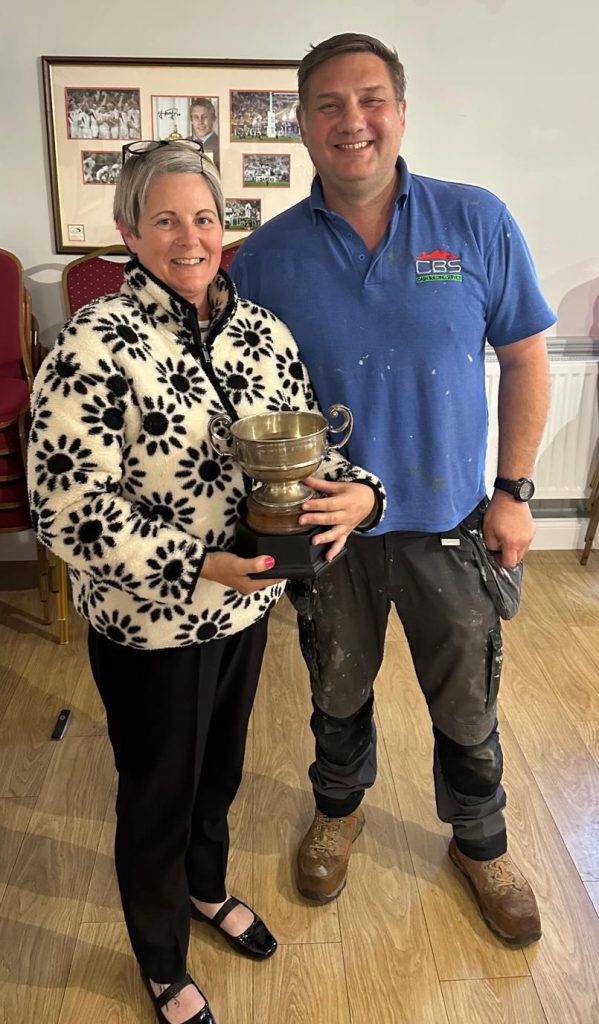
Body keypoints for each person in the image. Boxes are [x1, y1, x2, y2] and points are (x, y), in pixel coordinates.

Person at [28, 139, 384, 1024]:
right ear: (126, 232)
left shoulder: (264, 330)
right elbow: (65, 505)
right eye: (165, 220)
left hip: (247, 601)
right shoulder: (92, 342)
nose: (190, 238)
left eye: (204, 218)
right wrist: (193, 564)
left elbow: (305, 448)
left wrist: (361, 496)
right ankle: (159, 956)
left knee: (218, 773)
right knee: (158, 791)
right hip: (150, 623)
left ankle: (204, 887)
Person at [231, 32, 554, 948]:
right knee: (335, 683)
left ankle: (480, 841)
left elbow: (525, 357)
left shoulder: (472, 221)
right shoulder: (266, 257)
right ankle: (337, 811)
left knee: (465, 696)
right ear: (301, 126)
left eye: (369, 99)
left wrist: (515, 491)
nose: (351, 122)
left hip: (449, 521)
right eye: (327, 106)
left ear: (401, 112)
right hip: (325, 530)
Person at [190, 97, 220, 169]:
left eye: (205, 117)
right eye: (196, 117)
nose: (200, 122)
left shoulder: (221, 145)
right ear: (191, 120)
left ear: (213, 119)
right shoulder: (182, 144)